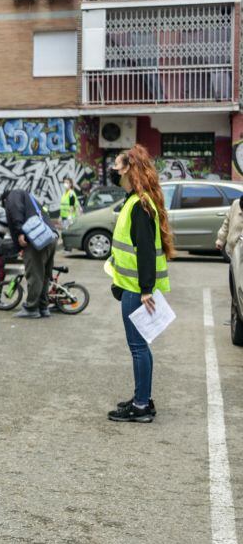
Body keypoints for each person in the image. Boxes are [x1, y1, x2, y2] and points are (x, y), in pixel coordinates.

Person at [107, 145, 173, 423]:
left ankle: (142, 405)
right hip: (132, 287)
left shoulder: (139, 205)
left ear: (129, 170)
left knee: (138, 347)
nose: (113, 170)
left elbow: (145, 251)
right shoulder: (135, 200)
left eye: (117, 166)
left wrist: (146, 289)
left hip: (138, 291)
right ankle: (141, 398)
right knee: (140, 346)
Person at [4, 187, 56, 319]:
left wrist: (20, 231)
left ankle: (31, 308)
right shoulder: (30, 199)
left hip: (35, 240)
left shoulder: (13, 195)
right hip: (50, 236)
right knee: (44, 275)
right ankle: (43, 307)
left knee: (34, 275)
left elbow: (16, 211)